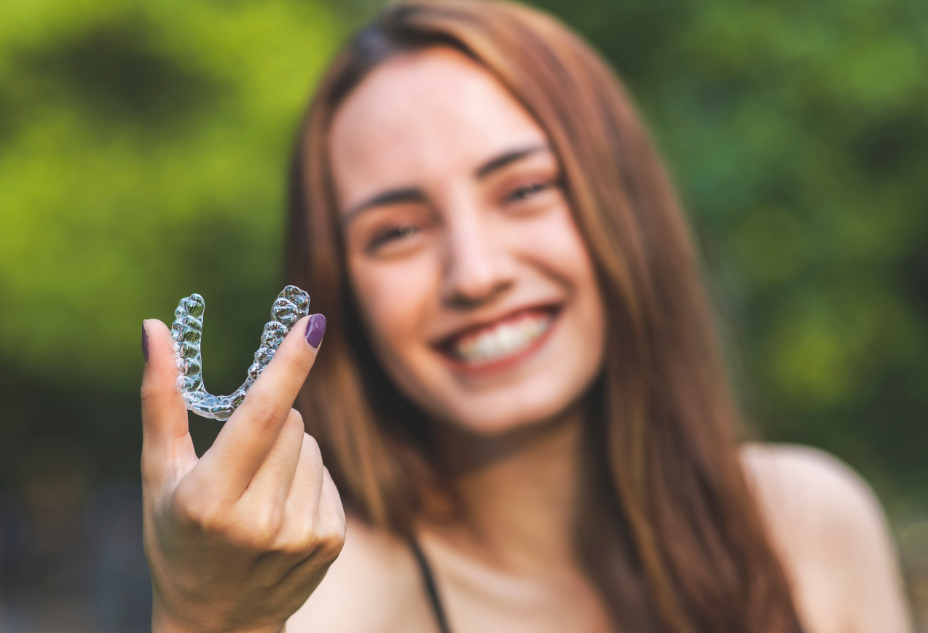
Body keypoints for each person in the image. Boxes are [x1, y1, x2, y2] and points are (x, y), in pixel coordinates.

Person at [139, 2, 912, 632]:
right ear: (339, 291)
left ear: (626, 204)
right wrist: (207, 621)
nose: (477, 274)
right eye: (398, 231)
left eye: (525, 189)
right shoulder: (320, 603)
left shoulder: (810, 527)